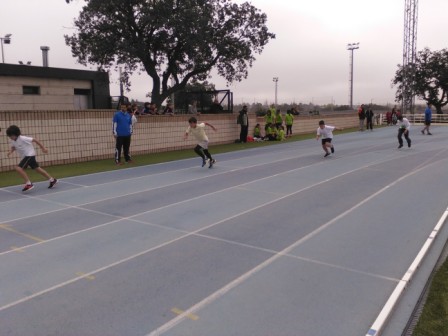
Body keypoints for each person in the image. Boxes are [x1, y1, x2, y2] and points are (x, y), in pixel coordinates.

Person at [6, 125, 58, 192]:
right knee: (37, 169)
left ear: (16, 134)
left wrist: (43, 148)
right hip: (26, 156)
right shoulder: (13, 141)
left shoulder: (22, 138)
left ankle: (29, 184)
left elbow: (35, 140)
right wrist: (10, 152)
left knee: (18, 168)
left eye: (11, 135)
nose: (10, 137)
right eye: (9, 136)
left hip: (29, 155)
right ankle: (52, 180)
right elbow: (13, 147)